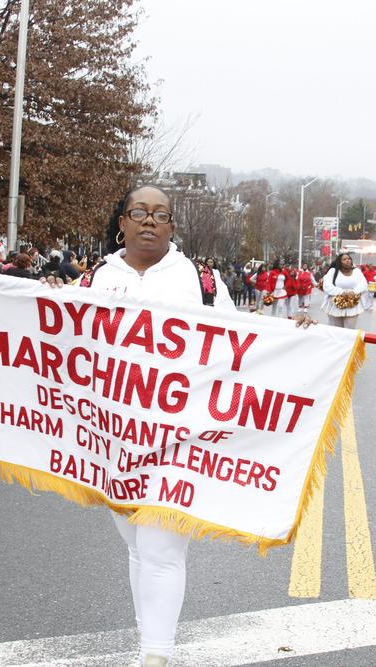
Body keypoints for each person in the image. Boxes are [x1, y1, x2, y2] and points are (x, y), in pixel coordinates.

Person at [80, 184, 310, 667]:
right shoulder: (96, 278)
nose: (149, 221)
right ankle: (150, 634)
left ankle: (155, 655)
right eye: (138, 212)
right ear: (121, 221)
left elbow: (244, 341)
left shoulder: (200, 281)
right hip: (113, 440)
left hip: (179, 440)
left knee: (161, 546)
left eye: (160, 215)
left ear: (172, 227)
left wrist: (293, 335)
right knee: (138, 545)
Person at [322, 252, 368, 328]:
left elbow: (363, 284)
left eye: (349, 259)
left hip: (352, 305)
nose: (347, 260)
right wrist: (341, 292)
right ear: (339, 262)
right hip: (335, 305)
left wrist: (353, 292)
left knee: (350, 330)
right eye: (344, 259)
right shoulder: (333, 271)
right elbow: (326, 286)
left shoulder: (357, 271)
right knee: (336, 330)